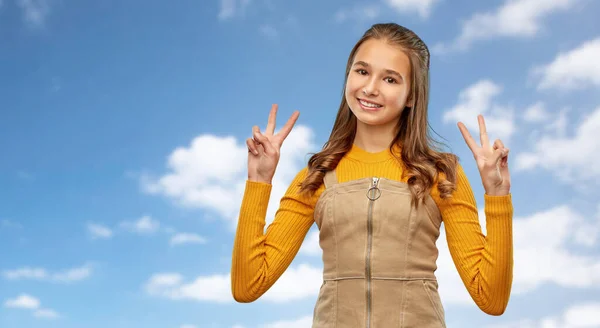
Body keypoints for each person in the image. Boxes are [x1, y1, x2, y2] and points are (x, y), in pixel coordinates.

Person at [231, 23, 513, 328]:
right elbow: (248, 286)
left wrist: (497, 197)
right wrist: (259, 182)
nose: (370, 88)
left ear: (411, 97)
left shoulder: (440, 174)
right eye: (362, 71)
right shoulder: (317, 177)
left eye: (390, 79)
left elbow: (491, 299)